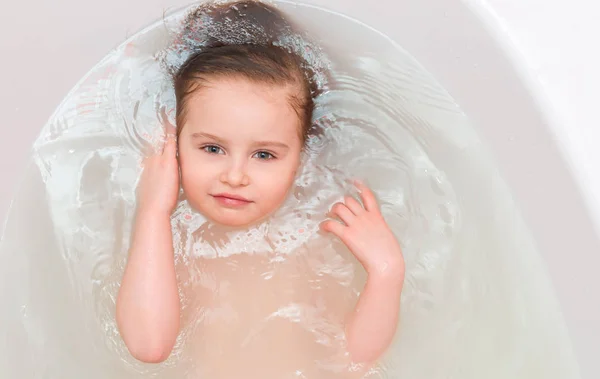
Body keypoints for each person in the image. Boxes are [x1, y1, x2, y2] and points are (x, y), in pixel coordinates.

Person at [116, 1, 405, 377]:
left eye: (264, 155)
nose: (235, 176)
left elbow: (353, 359)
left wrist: (387, 272)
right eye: (212, 148)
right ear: (175, 144)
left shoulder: (324, 225)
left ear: (303, 158)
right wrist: (153, 211)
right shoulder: (164, 227)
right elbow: (149, 346)